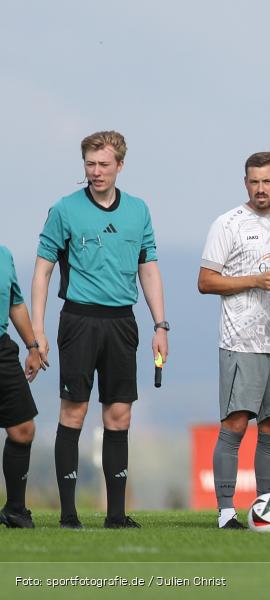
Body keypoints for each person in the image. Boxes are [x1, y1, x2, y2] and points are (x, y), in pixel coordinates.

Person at [32, 130, 168, 529]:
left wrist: (161, 324)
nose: (96, 172)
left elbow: (149, 268)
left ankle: (115, 514)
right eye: (90, 165)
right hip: (78, 320)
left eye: (104, 165)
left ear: (120, 165)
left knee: (119, 415)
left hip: (122, 322)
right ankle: (69, 514)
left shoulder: (139, 211)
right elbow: (43, 271)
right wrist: (37, 331)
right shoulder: (64, 210)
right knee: (73, 412)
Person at [198, 152, 270, 529]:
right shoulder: (229, 223)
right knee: (236, 424)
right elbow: (206, 281)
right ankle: (225, 512)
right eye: (254, 182)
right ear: (245, 183)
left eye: (267, 181)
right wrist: (254, 280)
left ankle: (266, 510)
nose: (260, 189)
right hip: (241, 341)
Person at [0, 246, 43, 528]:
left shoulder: (4, 255)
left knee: (23, 429)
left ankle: (15, 509)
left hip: (2, 348)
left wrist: (32, 346)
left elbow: (15, 302)